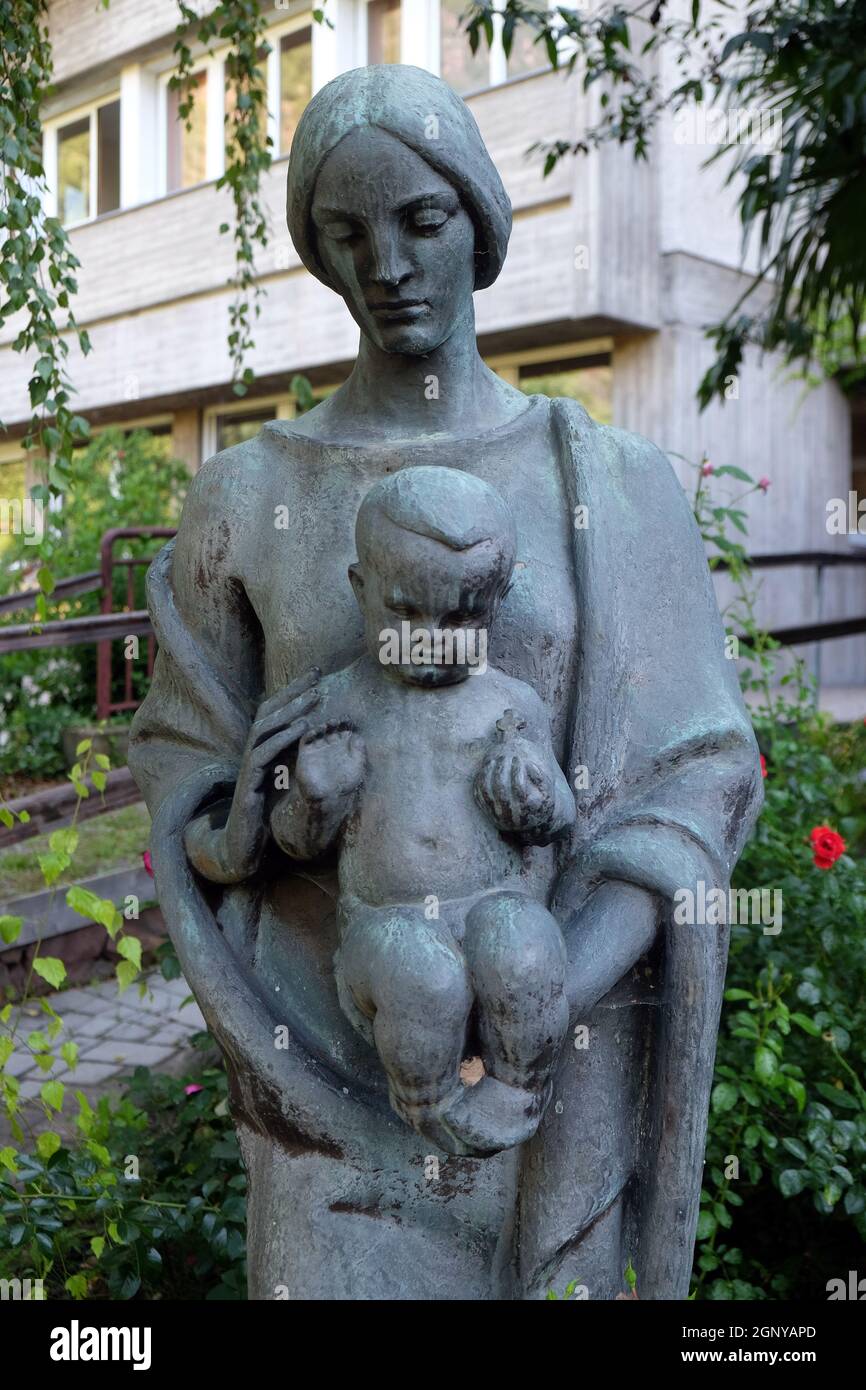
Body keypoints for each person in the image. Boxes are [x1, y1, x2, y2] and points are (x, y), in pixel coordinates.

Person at [129, 64, 763, 1300]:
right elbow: (184, 780)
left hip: (555, 1068)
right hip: (324, 1084)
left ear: (478, 220)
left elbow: (695, 774)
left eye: (420, 221)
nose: (388, 265)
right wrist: (272, 812)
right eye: (344, 233)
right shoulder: (245, 497)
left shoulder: (612, 483)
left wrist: (527, 998)